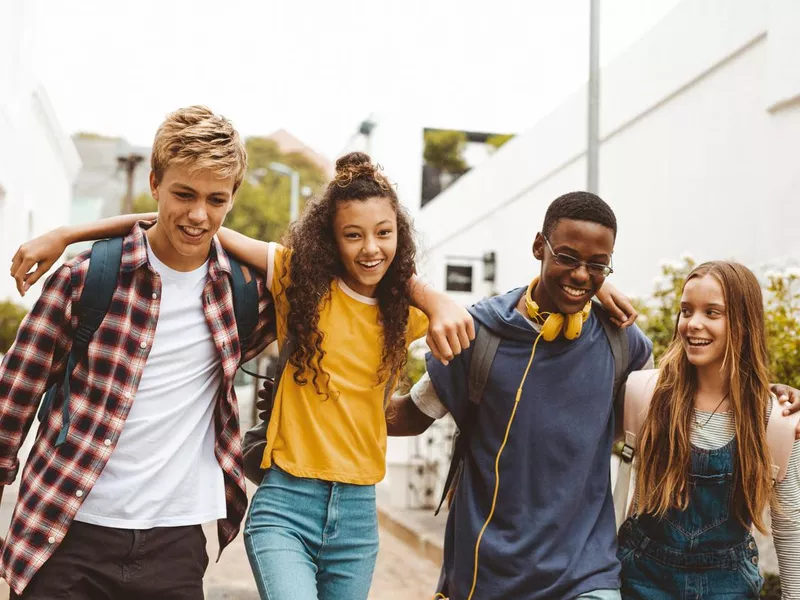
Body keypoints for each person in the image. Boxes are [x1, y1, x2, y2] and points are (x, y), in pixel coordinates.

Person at [10, 150, 480, 600]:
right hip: (286, 500)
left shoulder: (404, 312)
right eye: (353, 234)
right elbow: (192, 228)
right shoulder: (298, 283)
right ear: (330, 239)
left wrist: (434, 300)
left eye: (384, 232)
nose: (371, 247)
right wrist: (69, 235)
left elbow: (469, 324)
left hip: (357, 513)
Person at [386, 192, 800, 600]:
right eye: (567, 257)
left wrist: (769, 398)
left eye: (598, 264)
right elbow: (409, 414)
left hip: (590, 575)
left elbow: (689, 398)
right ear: (538, 247)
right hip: (494, 572)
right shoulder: (480, 336)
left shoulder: (627, 348)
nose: (582, 274)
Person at [0, 105, 277, 599]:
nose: (198, 215)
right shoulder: (85, 279)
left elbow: (342, 273)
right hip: (68, 533)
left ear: (232, 198)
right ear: (154, 182)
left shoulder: (244, 295)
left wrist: (431, 302)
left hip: (175, 545)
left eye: (216, 199)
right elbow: (10, 404)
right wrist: (70, 239)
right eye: (183, 194)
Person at [617, 261, 800, 599]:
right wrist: (601, 286)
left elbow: (790, 525)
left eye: (712, 312)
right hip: (642, 577)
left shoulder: (776, 418)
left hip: (729, 585)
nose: (693, 324)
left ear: (743, 325)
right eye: (686, 311)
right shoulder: (648, 395)